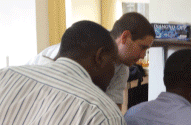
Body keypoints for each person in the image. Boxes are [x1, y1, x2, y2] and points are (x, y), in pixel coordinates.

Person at [27, 12, 155, 110]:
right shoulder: (80, 51)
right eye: (142, 47)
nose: (143, 55)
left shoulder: (122, 70)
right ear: (125, 37)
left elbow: (113, 109)